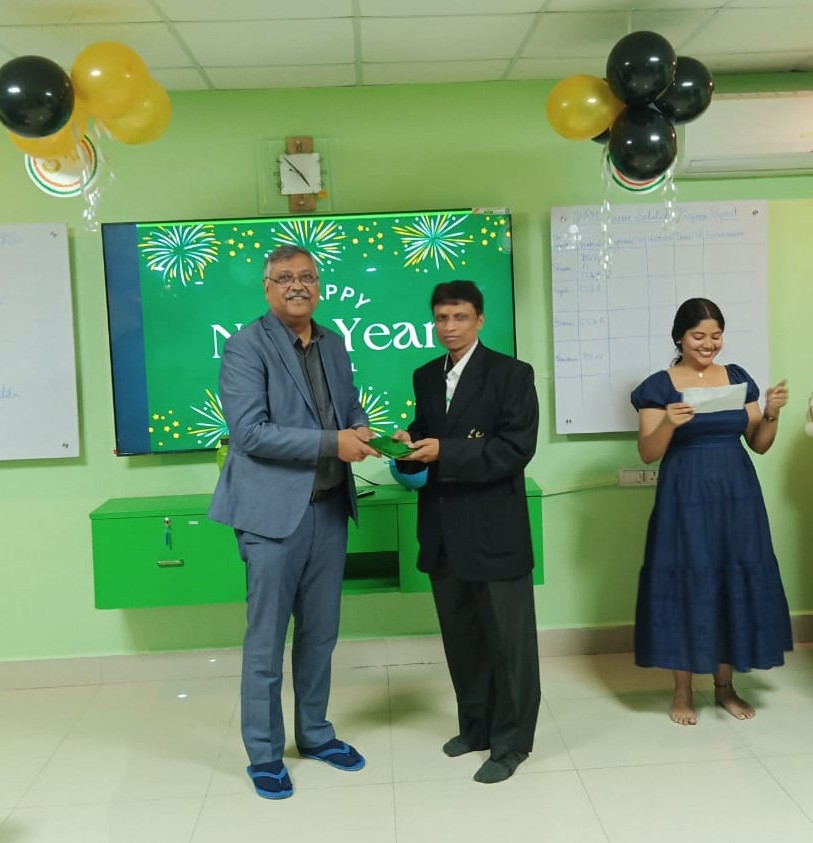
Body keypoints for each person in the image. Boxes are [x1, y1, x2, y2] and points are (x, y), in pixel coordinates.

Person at [208, 245, 379, 799]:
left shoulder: (333, 342)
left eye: (306, 276)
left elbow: (347, 409)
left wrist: (364, 430)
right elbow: (249, 433)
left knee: (320, 634)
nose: (297, 285)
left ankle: (315, 735)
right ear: (267, 288)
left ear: (318, 285)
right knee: (266, 641)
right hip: (271, 517)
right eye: (284, 278)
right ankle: (263, 753)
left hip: (329, 508)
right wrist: (334, 442)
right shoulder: (245, 345)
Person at [393, 279, 541, 784]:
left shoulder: (512, 374)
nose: (449, 327)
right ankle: (475, 727)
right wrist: (408, 442)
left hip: (495, 533)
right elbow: (429, 430)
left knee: (509, 647)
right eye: (441, 318)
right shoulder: (425, 375)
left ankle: (512, 744)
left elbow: (515, 449)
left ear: (480, 319)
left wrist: (445, 451)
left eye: (459, 317)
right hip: (443, 532)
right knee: (463, 642)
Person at [631, 297, 791, 726]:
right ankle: (682, 691)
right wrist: (669, 422)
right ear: (679, 338)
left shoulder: (737, 377)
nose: (708, 344)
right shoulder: (659, 386)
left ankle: (725, 687)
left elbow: (758, 443)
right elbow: (648, 452)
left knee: (729, 580)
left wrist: (771, 414)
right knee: (687, 580)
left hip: (737, 494)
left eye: (716, 335)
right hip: (684, 496)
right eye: (698, 336)